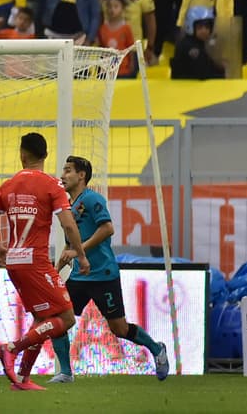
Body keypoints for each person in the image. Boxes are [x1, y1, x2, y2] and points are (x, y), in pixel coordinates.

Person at [0, 133, 89, 390]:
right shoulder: (52, 185)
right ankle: (11, 349)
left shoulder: (9, 184)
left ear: (22, 154)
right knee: (66, 317)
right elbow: (68, 224)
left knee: (43, 318)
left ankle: (23, 379)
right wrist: (81, 255)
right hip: (36, 262)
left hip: (14, 261)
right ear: (46, 155)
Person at [53, 155, 170, 383]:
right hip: (79, 276)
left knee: (119, 328)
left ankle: (157, 349)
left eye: (68, 170)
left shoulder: (93, 199)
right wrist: (63, 260)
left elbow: (107, 229)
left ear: (81, 175)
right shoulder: (68, 206)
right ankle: (66, 372)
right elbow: (72, 241)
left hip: (103, 275)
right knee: (58, 320)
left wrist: (79, 251)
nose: (62, 175)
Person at [171, 6, 225, 79]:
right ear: (190, 26)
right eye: (200, 27)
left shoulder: (196, 43)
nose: (204, 31)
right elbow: (202, 74)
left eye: (207, 27)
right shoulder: (190, 47)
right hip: (187, 87)